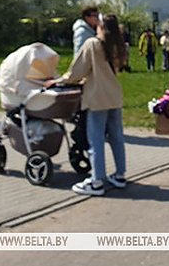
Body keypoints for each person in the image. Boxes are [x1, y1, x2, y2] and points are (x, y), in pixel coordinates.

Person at [47, 14, 127, 196]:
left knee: (96, 139)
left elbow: (78, 70)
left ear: (100, 26)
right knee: (116, 137)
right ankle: (120, 175)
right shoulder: (117, 45)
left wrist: (60, 80)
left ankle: (97, 180)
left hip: (97, 96)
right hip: (114, 95)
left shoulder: (93, 44)